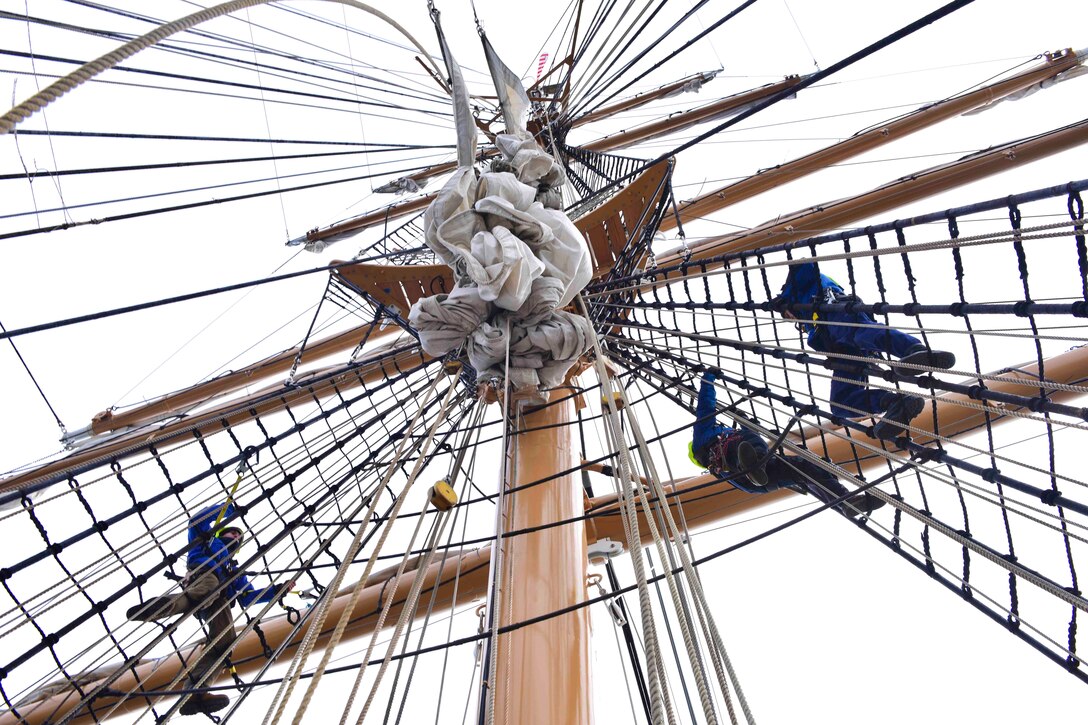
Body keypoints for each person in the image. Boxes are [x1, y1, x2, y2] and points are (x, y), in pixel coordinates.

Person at [127, 503, 293, 716]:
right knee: (207, 592)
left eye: (238, 535)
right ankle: (157, 608)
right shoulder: (207, 541)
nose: (235, 534)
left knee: (226, 641)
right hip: (205, 577)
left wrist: (277, 590)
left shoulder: (235, 570)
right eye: (231, 531)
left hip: (221, 598)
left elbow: (246, 597)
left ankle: (195, 692)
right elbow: (195, 522)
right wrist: (228, 510)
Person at [775, 261, 955, 442]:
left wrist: (785, 298)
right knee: (840, 402)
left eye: (787, 315)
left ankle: (915, 350)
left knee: (863, 334)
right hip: (840, 348)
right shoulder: (806, 317)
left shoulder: (801, 287)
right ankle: (895, 403)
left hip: (836, 313)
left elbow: (806, 266)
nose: (790, 317)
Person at [691, 371, 884, 517]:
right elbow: (705, 407)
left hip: (758, 478)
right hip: (740, 466)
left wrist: (743, 421)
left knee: (804, 469)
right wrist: (707, 378)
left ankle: (846, 502)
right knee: (746, 441)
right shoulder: (705, 439)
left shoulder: (726, 446)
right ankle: (752, 466)